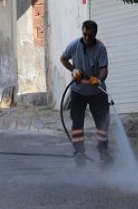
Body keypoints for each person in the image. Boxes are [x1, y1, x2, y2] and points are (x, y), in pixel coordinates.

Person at [60, 20, 111, 166]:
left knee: (102, 124)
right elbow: (63, 58)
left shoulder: (100, 48)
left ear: (95, 34)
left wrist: (99, 80)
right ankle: (79, 153)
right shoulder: (74, 45)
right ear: (82, 32)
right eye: (84, 34)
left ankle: (103, 152)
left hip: (97, 92)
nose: (87, 37)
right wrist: (73, 70)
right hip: (78, 92)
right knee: (77, 124)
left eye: (90, 35)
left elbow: (104, 69)